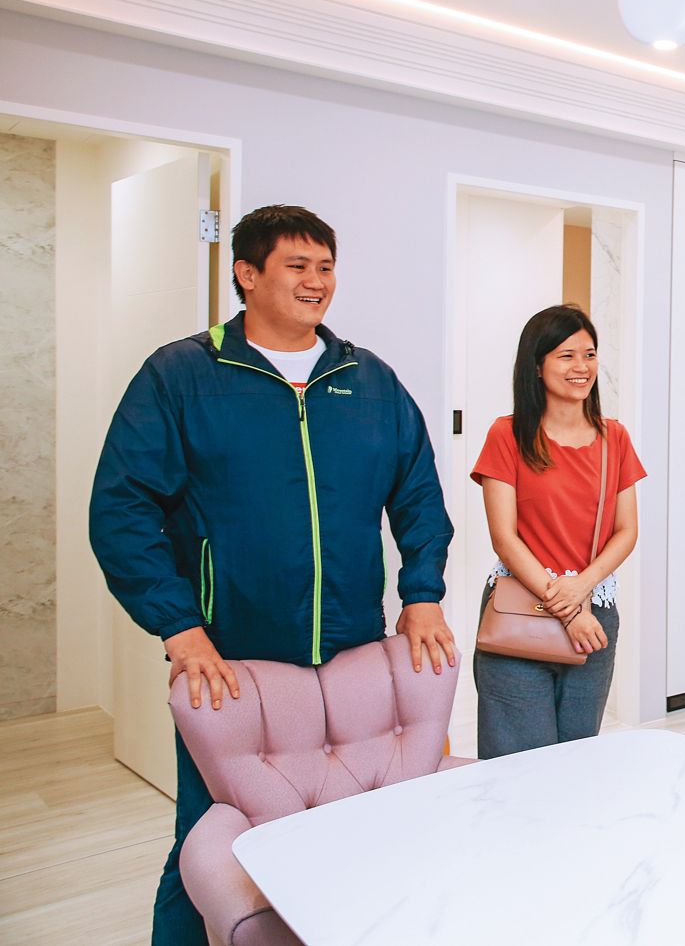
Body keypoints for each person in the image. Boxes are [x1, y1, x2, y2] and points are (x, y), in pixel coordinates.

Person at [89, 205, 456, 946]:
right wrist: (180, 627)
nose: (316, 281)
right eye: (297, 266)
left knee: (354, 830)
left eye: (326, 267)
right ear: (247, 274)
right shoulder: (182, 376)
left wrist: (422, 593)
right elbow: (121, 510)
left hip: (351, 651)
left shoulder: (367, 379)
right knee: (213, 838)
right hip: (233, 660)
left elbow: (418, 491)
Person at [471, 304, 646, 756]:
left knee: (576, 760)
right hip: (520, 609)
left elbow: (626, 530)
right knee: (519, 763)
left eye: (589, 354)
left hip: (595, 615)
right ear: (536, 365)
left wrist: (581, 588)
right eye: (566, 356)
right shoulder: (507, 435)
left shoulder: (615, 438)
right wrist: (567, 609)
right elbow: (504, 538)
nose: (581, 367)